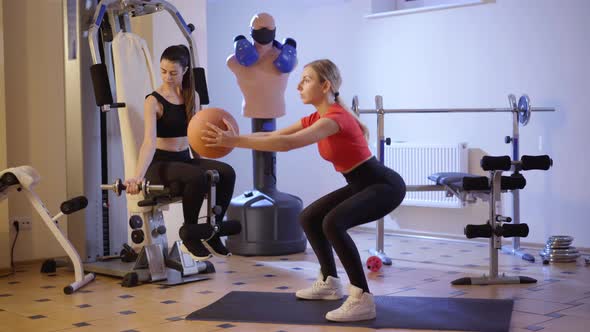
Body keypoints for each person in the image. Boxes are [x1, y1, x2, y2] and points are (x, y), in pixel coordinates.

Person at [202, 59, 406, 322]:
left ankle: (362, 298)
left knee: (333, 223)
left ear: (325, 85)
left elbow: (286, 144)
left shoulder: (335, 118)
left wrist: (235, 142)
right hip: (360, 184)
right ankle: (330, 282)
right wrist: (233, 138)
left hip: (384, 186)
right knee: (309, 217)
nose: (299, 85)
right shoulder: (317, 117)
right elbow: (274, 136)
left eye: (306, 79)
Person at [124, 45, 236, 260]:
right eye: (163, 71)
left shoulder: (191, 95)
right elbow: (148, 141)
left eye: (173, 72)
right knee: (197, 176)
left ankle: (212, 230)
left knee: (227, 172)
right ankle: (190, 236)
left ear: (185, 70)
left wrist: (203, 163)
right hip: (161, 164)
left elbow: (194, 135)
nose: (167, 77)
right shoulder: (153, 101)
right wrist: (137, 176)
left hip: (184, 160)